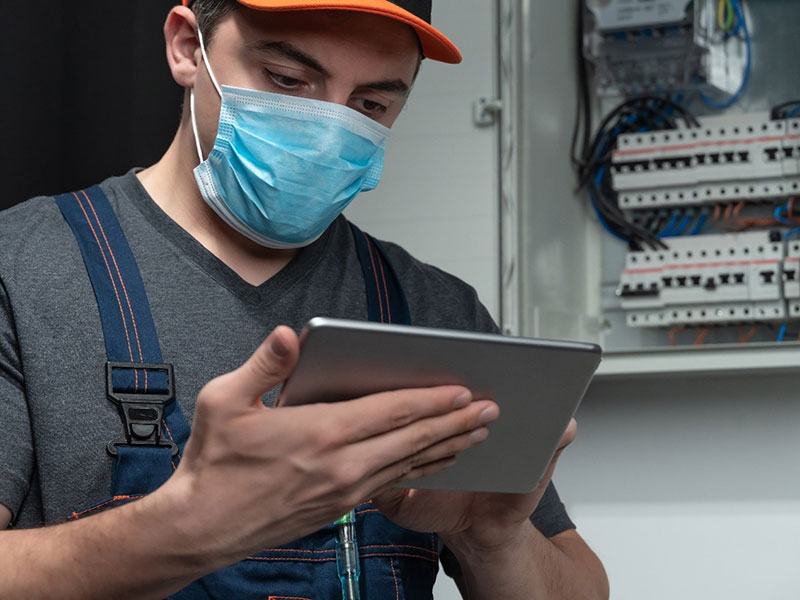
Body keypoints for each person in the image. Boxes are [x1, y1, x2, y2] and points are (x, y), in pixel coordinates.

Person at [0, 0, 609, 598]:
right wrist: (178, 529)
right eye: (288, 80)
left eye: (370, 105)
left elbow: (579, 584)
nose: (327, 132)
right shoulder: (23, 270)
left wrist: (492, 542)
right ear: (188, 47)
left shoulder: (435, 309)